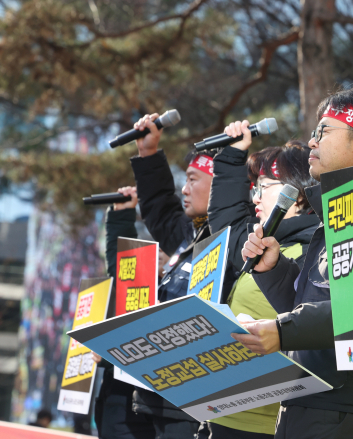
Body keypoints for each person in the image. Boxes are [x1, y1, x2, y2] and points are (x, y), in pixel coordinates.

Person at [236, 87, 353, 439]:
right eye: (312, 133)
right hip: (306, 409)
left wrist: (281, 331)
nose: (311, 142)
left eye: (323, 132)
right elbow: (315, 306)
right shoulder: (336, 214)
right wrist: (274, 270)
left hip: (346, 417)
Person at [197, 122, 319, 439]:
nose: (255, 197)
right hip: (225, 414)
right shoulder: (261, 244)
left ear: (298, 196)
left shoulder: (313, 250)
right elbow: (227, 223)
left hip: (269, 426)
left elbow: (313, 324)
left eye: (263, 186)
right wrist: (232, 155)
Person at [127, 114, 223, 439]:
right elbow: (160, 207)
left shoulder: (233, 240)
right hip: (155, 397)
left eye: (193, 180)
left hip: (194, 405)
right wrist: (148, 152)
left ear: (221, 185)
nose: (184, 189)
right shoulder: (188, 234)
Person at [93, 186, 155, 439]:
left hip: (144, 407)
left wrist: (109, 354)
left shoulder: (172, 288)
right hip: (114, 396)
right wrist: (121, 215)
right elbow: (120, 267)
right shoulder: (136, 284)